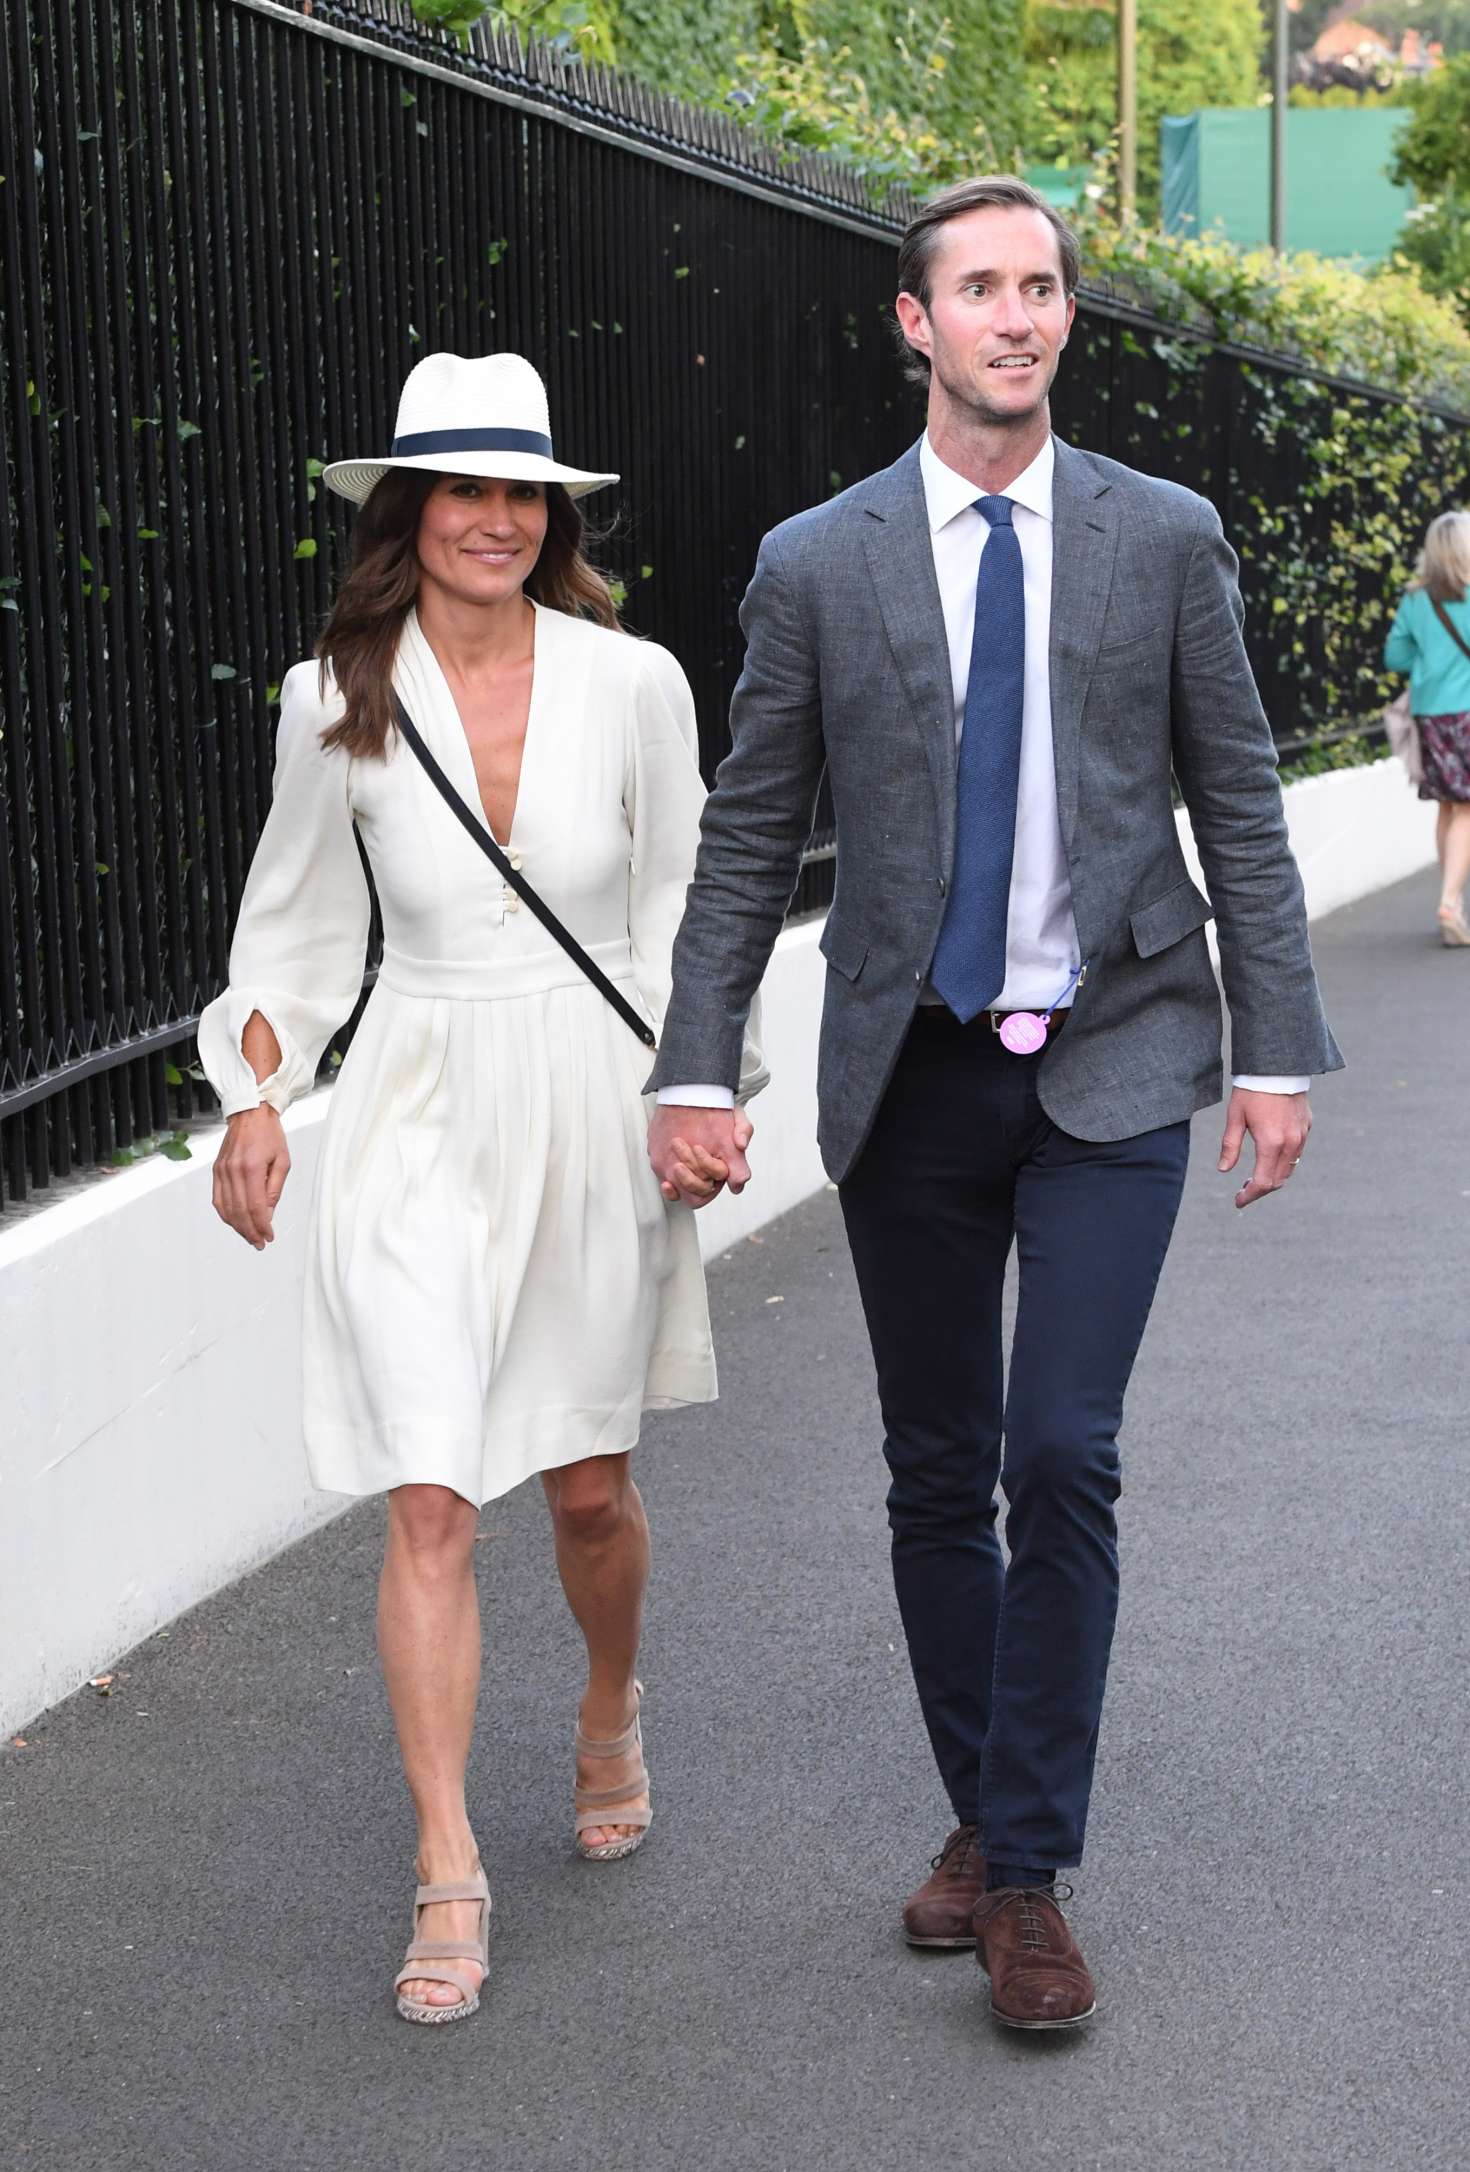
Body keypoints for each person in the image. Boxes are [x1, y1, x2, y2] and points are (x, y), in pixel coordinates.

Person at [647, 177, 1341, 2033]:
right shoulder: (820, 559)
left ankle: (1023, 1875)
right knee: (939, 1468)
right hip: (917, 1069)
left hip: (1119, 1053)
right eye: (984, 288)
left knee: (1065, 1451)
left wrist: (1273, 1050)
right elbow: (747, 835)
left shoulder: (1164, 533)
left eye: (1043, 287)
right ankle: (985, 1811)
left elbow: (1244, 797)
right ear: (917, 322)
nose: (1019, 316)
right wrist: (694, 1058)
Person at [199, 351, 763, 2025]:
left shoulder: (637, 683)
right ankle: (448, 1857)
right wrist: (256, 1092)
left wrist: (705, 1088)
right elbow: (295, 925)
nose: (498, 519)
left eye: (525, 493)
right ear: (410, 512)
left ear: (552, 517)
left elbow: (686, 910)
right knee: (431, 1488)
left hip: (593, 1100)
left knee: (586, 1490)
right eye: (465, 490)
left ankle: (608, 1696)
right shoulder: (337, 693)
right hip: (419, 1101)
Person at [1384, 509, 1470, 946]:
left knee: (1448, 806)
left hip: (1431, 715)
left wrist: (1430, 660)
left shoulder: (1417, 600)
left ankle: (1450, 898)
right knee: (1467, 808)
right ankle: (1451, 903)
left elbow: (1395, 658)